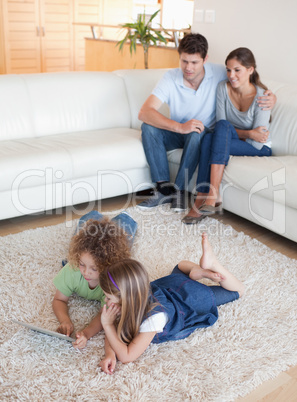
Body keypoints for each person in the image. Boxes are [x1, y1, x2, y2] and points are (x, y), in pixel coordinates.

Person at [137, 34, 275, 212]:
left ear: (205, 59)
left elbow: (246, 80)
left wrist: (272, 97)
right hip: (178, 131)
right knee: (148, 127)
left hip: (200, 134)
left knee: (197, 132)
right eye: (184, 61)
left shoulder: (220, 73)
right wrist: (180, 127)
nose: (188, 68)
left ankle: (179, 191)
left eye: (194, 62)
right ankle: (163, 190)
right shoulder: (170, 78)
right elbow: (144, 112)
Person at [98, 233, 244, 374]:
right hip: (172, 287)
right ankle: (198, 271)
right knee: (180, 266)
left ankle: (213, 264)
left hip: (190, 300)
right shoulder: (135, 296)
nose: (106, 301)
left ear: (127, 298)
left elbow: (127, 356)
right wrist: (110, 354)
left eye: (109, 298)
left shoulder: (154, 318)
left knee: (237, 291)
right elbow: (116, 333)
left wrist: (107, 325)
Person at [183, 47, 272, 224]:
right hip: (232, 139)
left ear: (250, 70)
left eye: (237, 70)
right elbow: (221, 126)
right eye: (229, 70)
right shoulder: (223, 88)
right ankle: (209, 195)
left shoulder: (262, 97)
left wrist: (249, 136)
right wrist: (248, 133)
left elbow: (257, 141)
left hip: (259, 147)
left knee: (211, 138)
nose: (231, 75)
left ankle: (205, 196)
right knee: (214, 133)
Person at [52, 210, 137, 349]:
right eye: (82, 264)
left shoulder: (113, 284)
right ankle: (94, 214)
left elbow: (104, 315)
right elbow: (59, 299)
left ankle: (125, 215)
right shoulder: (72, 269)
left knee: (124, 230)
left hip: (116, 247)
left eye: (94, 268)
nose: (86, 272)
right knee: (87, 224)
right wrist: (65, 321)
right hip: (84, 245)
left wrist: (86, 333)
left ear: (107, 266)